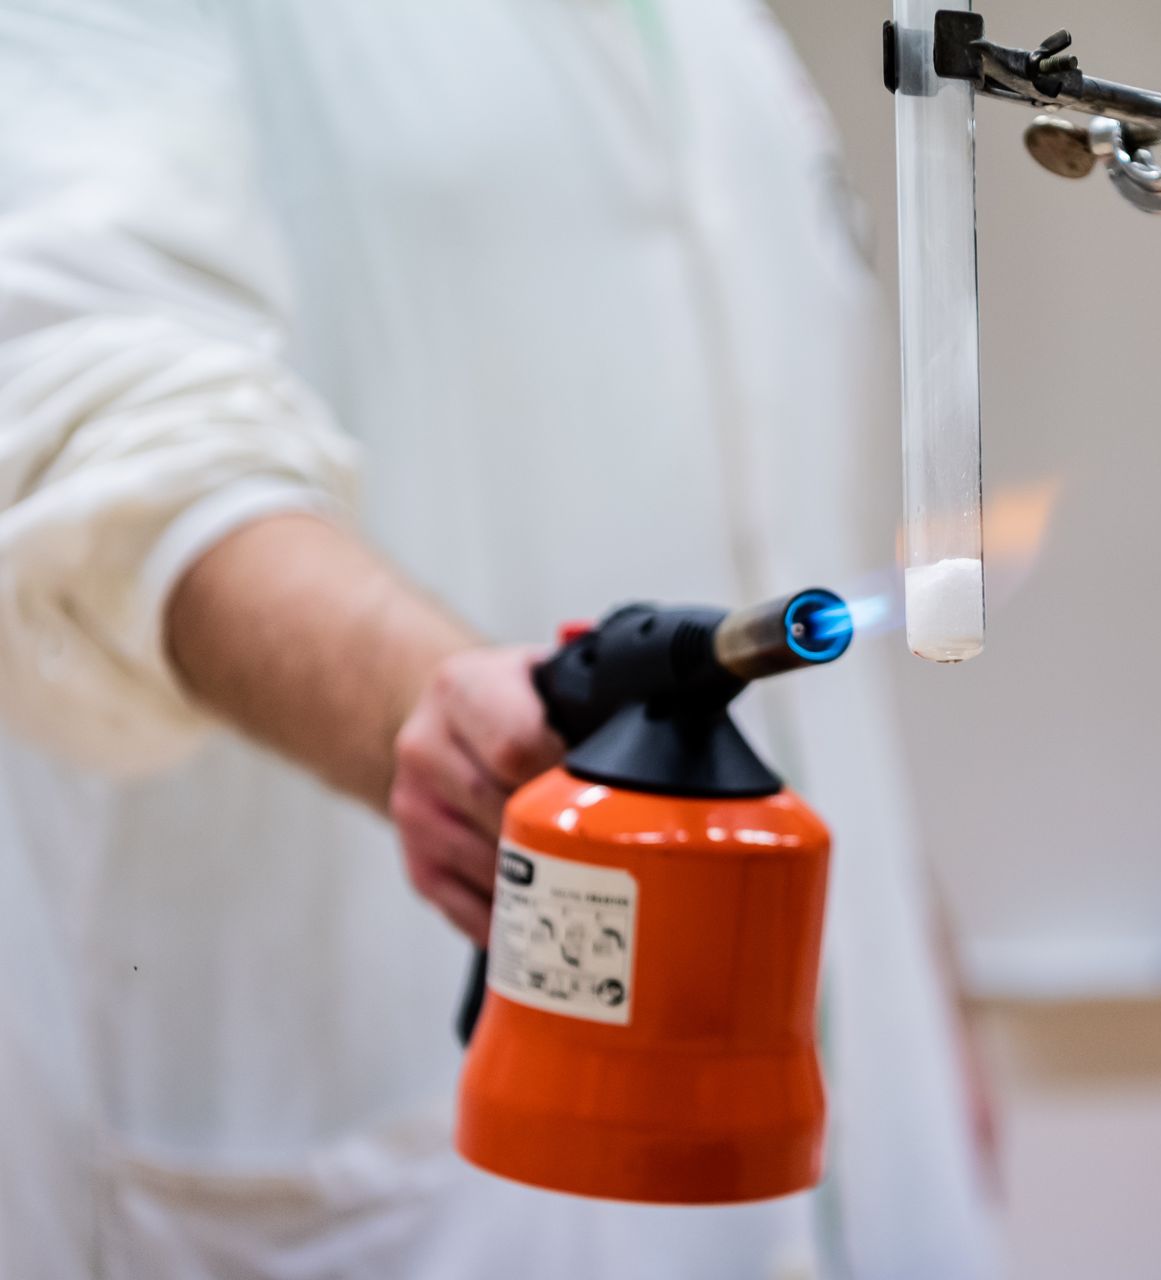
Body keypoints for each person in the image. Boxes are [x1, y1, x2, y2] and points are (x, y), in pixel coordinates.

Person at [0, 2, 996, 1276]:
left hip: (848, 1124)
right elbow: (106, 424)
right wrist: (432, 707)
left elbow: (769, 543)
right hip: (393, 1125)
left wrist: (913, 954)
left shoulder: (721, 33)